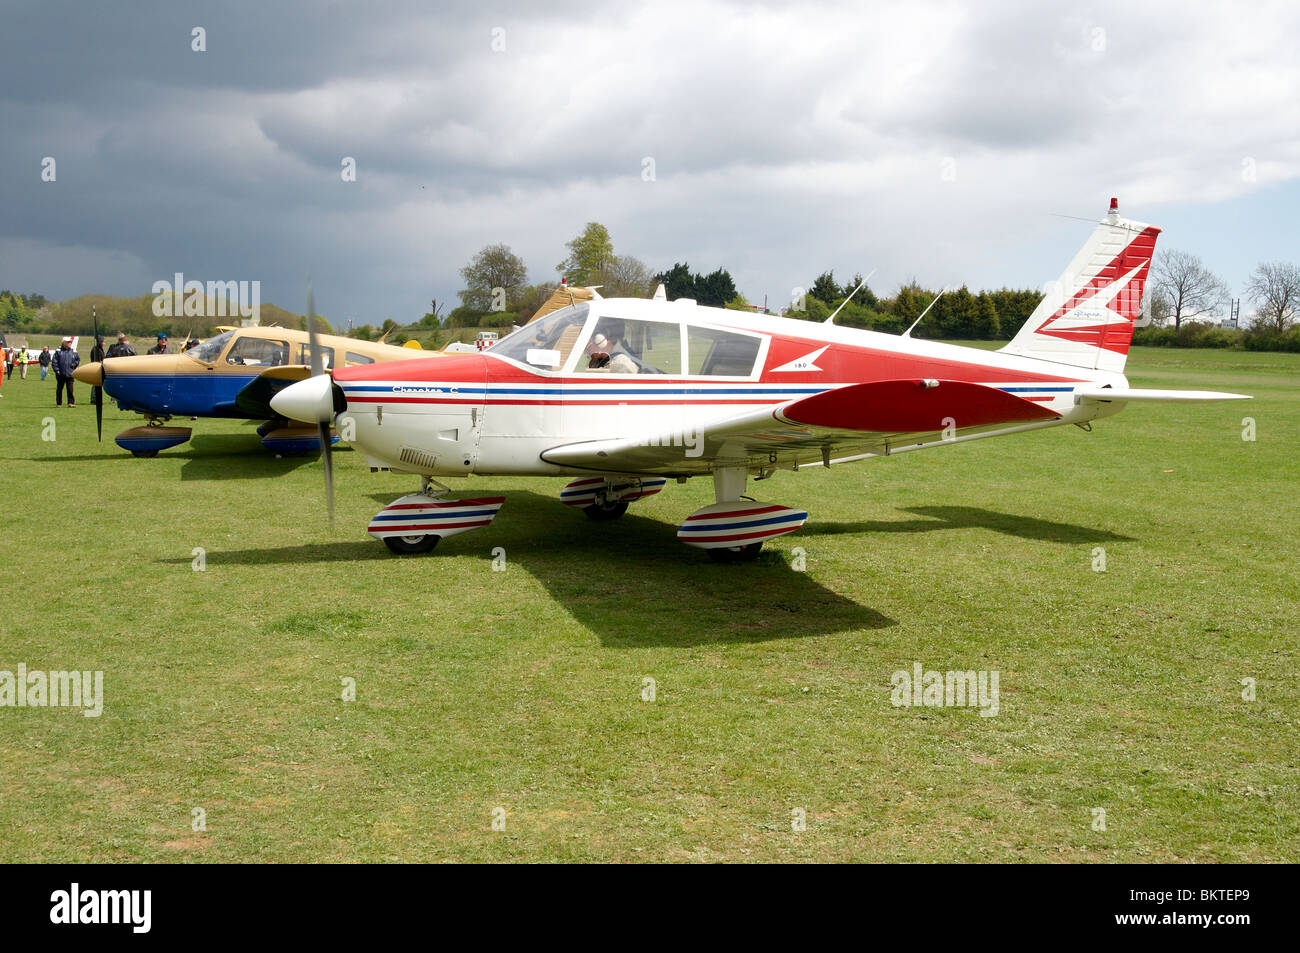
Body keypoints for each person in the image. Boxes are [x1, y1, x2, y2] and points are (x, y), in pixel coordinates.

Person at [51, 337, 80, 406]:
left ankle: (71, 402)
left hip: (70, 373)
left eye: (70, 342)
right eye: (67, 342)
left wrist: (74, 365)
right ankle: (59, 403)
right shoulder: (58, 352)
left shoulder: (73, 351)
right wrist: (56, 370)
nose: (69, 343)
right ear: (63, 343)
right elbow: (54, 361)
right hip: (60, 373)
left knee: (70, 389)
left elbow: (77, 360)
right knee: (59, 389)